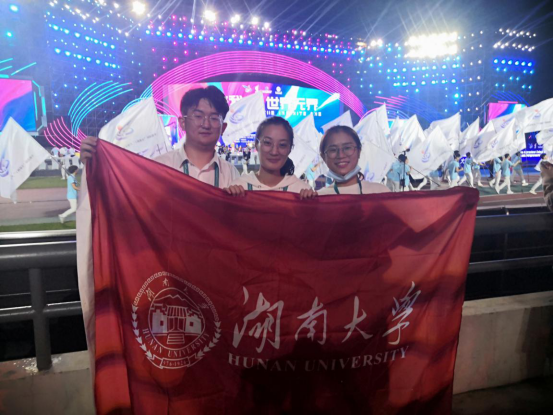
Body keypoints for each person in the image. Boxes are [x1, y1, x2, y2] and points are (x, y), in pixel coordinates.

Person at [80, 86, 240, 188]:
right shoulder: (159, 167)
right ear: (182, 123)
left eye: (214, 118)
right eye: (198, 116)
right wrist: (95, 169)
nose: (206, 124)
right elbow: (124, 201)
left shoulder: (231, 175)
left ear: (223, 127)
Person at [224, 117, 316, 198]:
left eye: (282, 145)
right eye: (267, 143)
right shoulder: (240, 187)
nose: (274, 152)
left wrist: (310, 204)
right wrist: (227, 199)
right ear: (256, 144)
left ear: (290, 149)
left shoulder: (300, 191)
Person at [317, 126, 390, 195]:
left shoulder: (381, 192)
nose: (341, 155)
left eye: (347, 148)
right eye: (333, 150)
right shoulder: (319, 198)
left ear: (359, 151)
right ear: (323, 157)